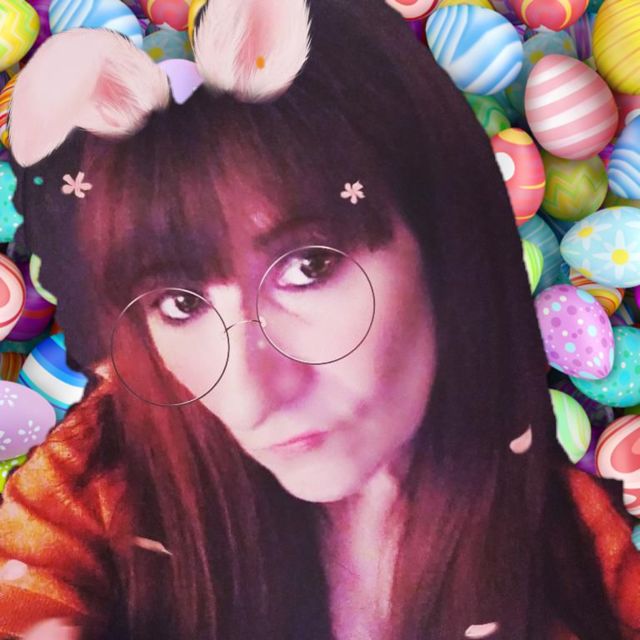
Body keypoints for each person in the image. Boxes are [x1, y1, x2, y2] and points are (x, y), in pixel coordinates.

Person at [1, 0, 639, 639]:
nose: (252, 393)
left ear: (444, 242)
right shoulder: (91, 481)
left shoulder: (578, 547)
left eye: (307, 266)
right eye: (181, 304)